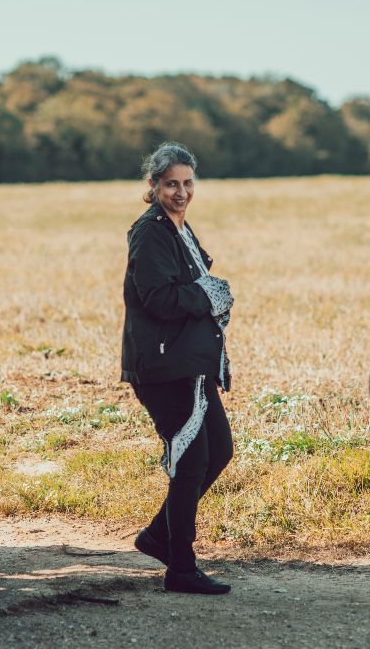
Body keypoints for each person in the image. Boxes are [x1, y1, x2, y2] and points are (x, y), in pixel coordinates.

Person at [120, 142, 234, 595]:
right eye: (171, 184)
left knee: (218, 451)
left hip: (192, 365)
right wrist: (209, 293)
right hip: (164, 368)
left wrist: (208, 289)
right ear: (153, 186)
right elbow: (159, 298)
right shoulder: (150, 233)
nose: (181, 191)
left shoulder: (179, 228)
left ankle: (157, 536)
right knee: (190, 464)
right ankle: (181, 568)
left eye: (188, 183)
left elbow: (189, 285)